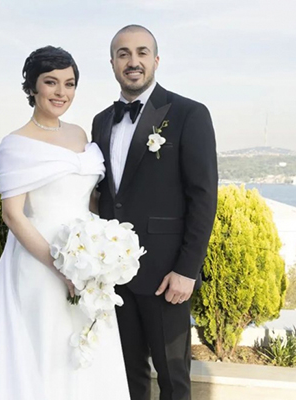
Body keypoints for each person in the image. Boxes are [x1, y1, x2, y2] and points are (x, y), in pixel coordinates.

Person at [0, 45, 130, 400]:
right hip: (40, 263)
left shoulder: (80, 134)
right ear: (32, 87)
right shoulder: (16, 143)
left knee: (87, 350)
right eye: (51, 82)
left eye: (69, 84)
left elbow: (89, 200)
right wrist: (61, 267)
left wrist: (105, 250)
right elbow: (12, 214)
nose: (61, 92)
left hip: (87, 261)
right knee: (48, 351)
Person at [91, 25, 218, 400]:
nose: (133, 61)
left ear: (156, 60)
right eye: (123, 54)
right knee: (125, 376)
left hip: (166, 276)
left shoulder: (188, 113)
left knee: (173, 377)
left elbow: (203, 197)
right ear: (112, 63)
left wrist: (187, 270)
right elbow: (106, 195)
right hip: (114, 278)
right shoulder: (101, 121)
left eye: (141, 52)